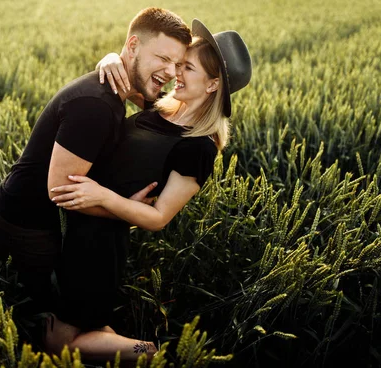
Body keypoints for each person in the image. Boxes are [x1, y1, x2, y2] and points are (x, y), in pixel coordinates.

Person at [46, 18, 252, 362]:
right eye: (177, 64)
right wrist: (110, 58)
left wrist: (104, 197)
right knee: (80, 326)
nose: (175, 74)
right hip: (77, 224)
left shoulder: (198, 147)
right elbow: (129, 70)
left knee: (61, 345)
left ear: (213, 84)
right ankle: (115, 340)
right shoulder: (161, 108)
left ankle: (149, 352)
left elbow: (159, 217)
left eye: (187, 67)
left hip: (98, 244)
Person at [0, 7, 191, 342]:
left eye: (178, 64)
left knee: (78, 319)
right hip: (25, 226)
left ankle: (132, 350)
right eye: (163, 58)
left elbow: (154, 107)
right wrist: (124, 208)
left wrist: (112, 57)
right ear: (134, 45)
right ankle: (145, 352)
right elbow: (60, 192)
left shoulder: (120, 87)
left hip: (43, 221)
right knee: (45, 326)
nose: (170, 72)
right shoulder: (96, 106)